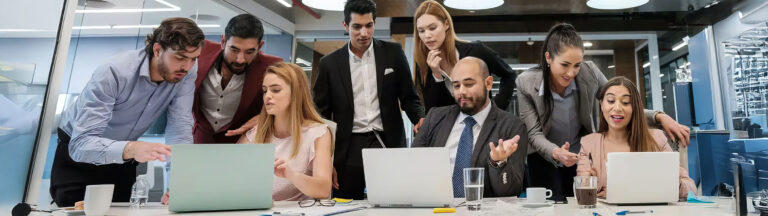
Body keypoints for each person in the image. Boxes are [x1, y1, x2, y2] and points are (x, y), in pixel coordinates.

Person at [516, 23, 691, 199]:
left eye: (577, 65)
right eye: (565, 64)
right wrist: (556, 152)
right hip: (543, 155)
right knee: (547, 207)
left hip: (579, 154)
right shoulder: (526, 83)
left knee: (579, 202)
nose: (571, 73)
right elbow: (533, 133)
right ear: (548, 57)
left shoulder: (589, 72)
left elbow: (616, 102)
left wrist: (659, 116)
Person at [50, 17, 204, 207]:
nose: (188, 66)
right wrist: (130, 148)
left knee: (122, 209)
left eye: (193, 59)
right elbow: (81, 144)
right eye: (180, 58)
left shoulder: (186, 71)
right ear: (157, 50)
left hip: (122, 157)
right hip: (79, 153)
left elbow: (180, 126)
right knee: (76, 209)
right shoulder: (113, 72)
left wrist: (180, 182)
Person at [312, 0, 425, 200]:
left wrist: (420, 119)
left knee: (393, 202)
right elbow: (320, 113)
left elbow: (409, 97)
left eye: (369, 25)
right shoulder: (329, 64)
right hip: (348, 148)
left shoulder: (393, 53)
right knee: (345, 205)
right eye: (357, 26)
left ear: (374, 23)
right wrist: (326, 159)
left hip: (387, 142)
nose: (363, 33)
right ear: (346, 26)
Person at [412, 57, 528, 197]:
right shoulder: (434, 118)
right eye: (456, 86)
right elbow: (412, 167)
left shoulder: (512, 126)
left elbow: (510, 191)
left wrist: (497, 162)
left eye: (468, 84)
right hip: (436, 206)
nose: (461, 92)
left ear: (488, 83)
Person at [576, 76, 696, 198]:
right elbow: (581, 194)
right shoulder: (589, 144)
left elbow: (690, 189)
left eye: (626, 103)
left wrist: (673, 181)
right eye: (611, 101)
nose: (617, 108)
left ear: (635, 108)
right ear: (602, 105)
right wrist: (585, 182)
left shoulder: (656, 138)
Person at [191, 14, 283, 143]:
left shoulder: (272, 67)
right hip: (200, 141)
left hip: (244, 144)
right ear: (223, 42)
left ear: (260, 46)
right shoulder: (199, 53)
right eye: (234, 50)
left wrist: (263, 117)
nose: (240, 59)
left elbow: (287, 106)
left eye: (249, 52)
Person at [412, 0, 516, 114]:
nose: (427, 35)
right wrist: (437, 76)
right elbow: (434, 112)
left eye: (432, 28)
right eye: (421, 31)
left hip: (484, 127)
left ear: (446, 25)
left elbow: (509, 75)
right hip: (449, 129)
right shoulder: (423, 64)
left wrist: (496, 110)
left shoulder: (476, 50)